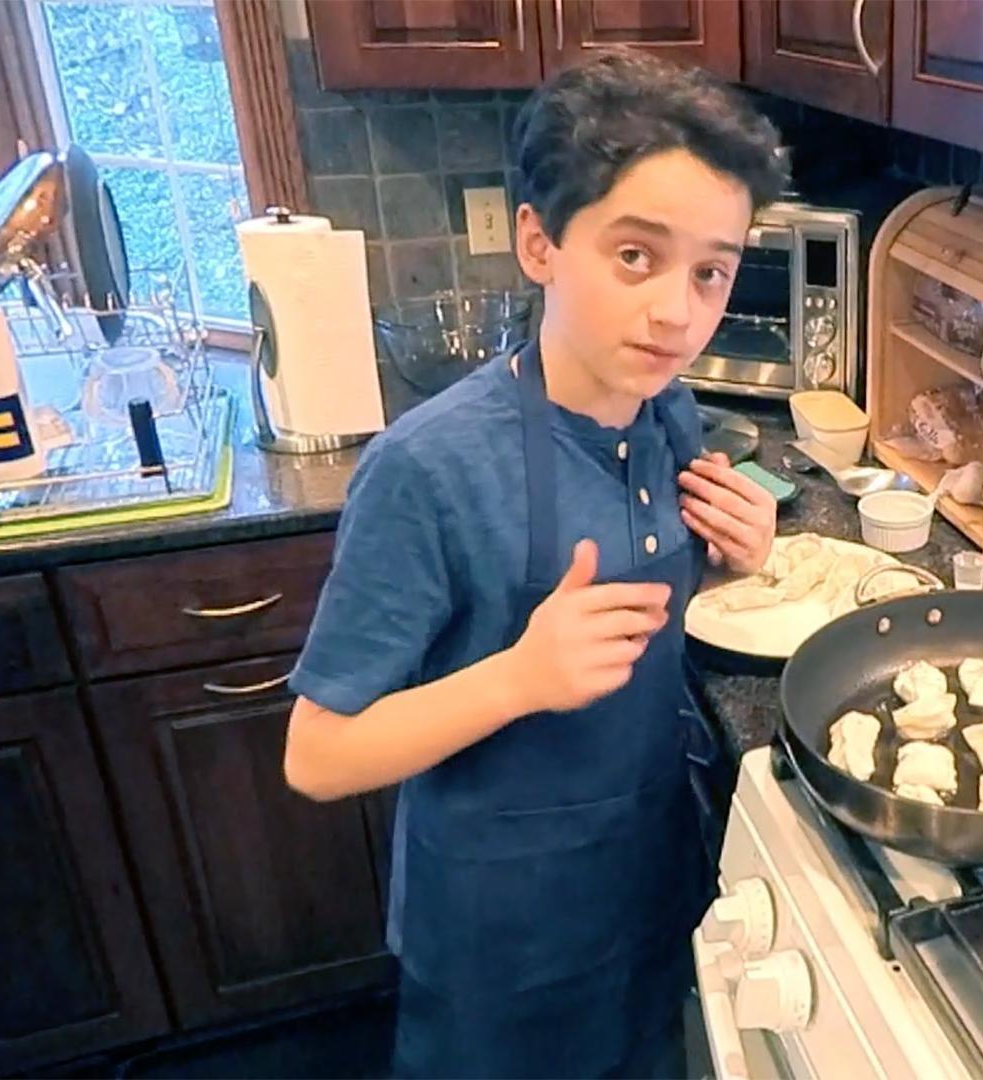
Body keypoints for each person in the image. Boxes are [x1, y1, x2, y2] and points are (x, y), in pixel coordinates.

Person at [282, 49, 788, 1079]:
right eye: (635, 257)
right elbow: (318, 755)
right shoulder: (424, 469)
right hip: (498, 940)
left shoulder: (666, 416)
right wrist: (519, 676)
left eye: (710, 271)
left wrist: (739, 559)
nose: (676, 312)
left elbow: (642, 610)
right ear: (539, 242)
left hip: (647, 888)